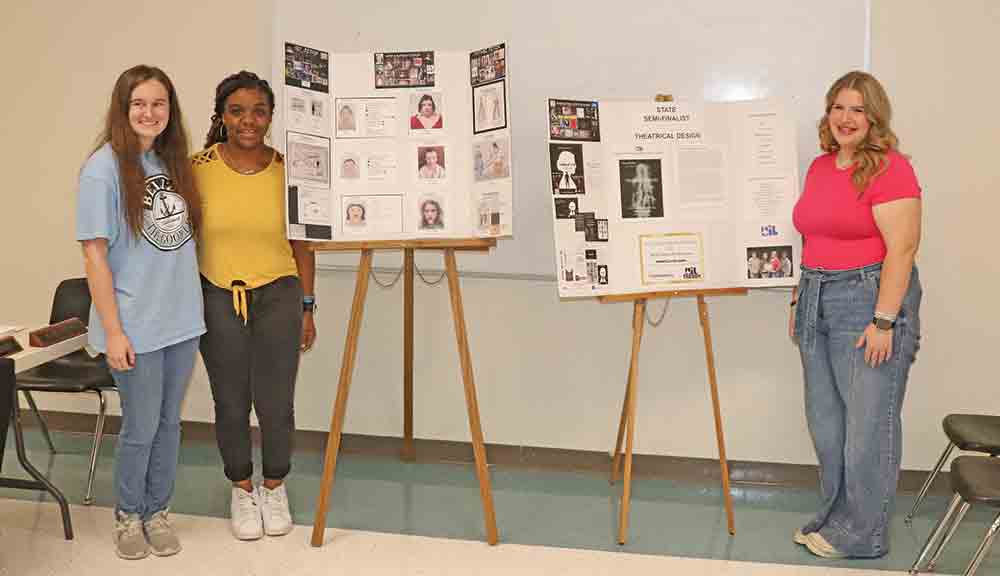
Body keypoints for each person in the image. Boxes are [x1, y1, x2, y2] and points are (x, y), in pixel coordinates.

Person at [790, 71, 922, 559]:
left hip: (867, 299)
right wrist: (797, 300)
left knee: (868, 424)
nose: (846, 118)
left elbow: (903, 249)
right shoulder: (821, 167)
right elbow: (812, 238)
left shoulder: (892, 169)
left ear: (874, 118)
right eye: (838, 107)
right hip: (815, 296)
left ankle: (864, 533)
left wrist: (884, 319)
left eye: (857, 110)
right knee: (827, 422)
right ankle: (837, 517)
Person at [76, 65, 204, 560]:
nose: (149, 113)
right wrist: (113, 331)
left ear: (170, 112)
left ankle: (157, 511)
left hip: (181, 320)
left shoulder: (174, 165)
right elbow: (94, 256)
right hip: (134, 323)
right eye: (139, 104)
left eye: (159, 104)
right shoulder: (102, 169)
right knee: (140, 426)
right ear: (122, 109)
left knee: (170, 423)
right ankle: (129, 516)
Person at [193, 71, 317, 541]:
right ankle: (242, 488)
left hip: (280, 295)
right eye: (237, 110)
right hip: (217, 295)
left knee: (275, 402)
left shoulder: (293, 170)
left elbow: (304, 246)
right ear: (222, 116)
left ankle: (274, 486)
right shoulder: (196, 167)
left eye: (259, 111)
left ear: (270, 117)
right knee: (229, 400)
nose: (249, 120)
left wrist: (307, 307)